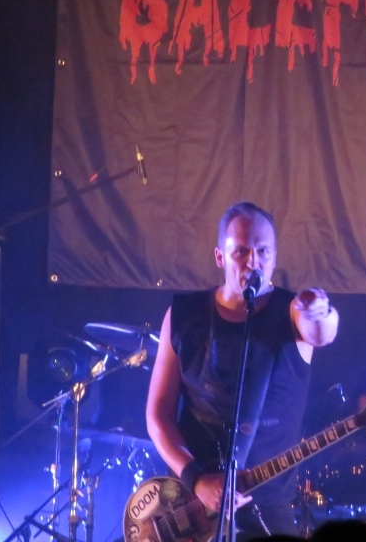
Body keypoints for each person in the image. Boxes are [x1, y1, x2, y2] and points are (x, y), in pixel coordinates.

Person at [146, 201, 340, 537]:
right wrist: (196, 478)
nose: (254, 262)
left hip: (268, 507)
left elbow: (322, 332)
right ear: (220, 257)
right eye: (241, 252)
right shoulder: (183, 314)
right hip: (191, 505)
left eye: (264, 251)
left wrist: (321, 311)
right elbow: (158, 415)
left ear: (275, 256)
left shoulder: (292, 311)